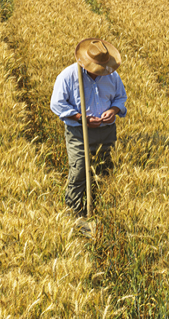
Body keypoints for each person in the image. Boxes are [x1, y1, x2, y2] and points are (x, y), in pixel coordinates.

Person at [50, 38, 127, 231]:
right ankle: (76, 218)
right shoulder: (68, 76)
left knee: (105, 172)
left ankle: (100, 211)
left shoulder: (112, 75)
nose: (101, 71)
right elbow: (57, 104)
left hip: (107, 132)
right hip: (80, 133)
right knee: (79, 173)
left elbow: (120, 97)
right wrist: (80, 118)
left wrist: (114, 111)